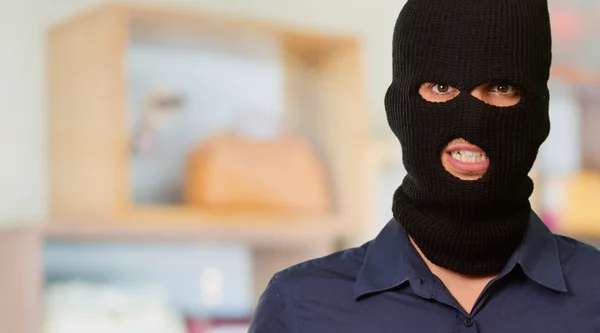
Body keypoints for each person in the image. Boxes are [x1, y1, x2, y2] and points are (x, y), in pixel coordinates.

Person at [248, 0, 600, 331]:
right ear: (399, 109)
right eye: (441, 86)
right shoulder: (300, 306)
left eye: (501, 87)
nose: (471, 123)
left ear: (538, 113)